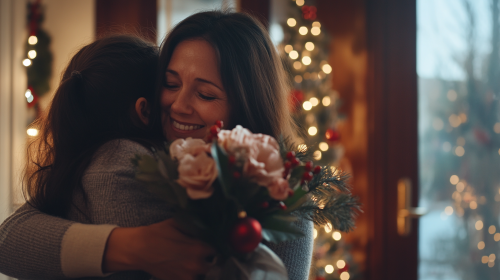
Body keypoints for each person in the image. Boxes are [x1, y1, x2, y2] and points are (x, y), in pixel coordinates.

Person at [0, 11, 313, 280]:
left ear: (247, 106)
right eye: (170, 84)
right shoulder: (129, 158)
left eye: (205, 95)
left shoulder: (281, 194)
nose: (178, 105)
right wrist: (129, 245)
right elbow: (10, 238)